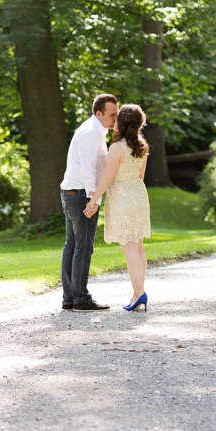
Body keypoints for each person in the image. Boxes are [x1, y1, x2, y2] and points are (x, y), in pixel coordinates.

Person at [84, 104, 151, 312]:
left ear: (121, 123)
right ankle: (137, 293)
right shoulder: (141, 145)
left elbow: (106, 178)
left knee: (129, 247)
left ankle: (139, 293)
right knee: (137, 246)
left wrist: (92, 200)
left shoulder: (117, 148)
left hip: (122, 197)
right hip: (139, 194)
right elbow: (141, 176)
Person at [59, 94, 118, 312]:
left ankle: (70, 299)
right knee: (82, 248)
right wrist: (92, 200)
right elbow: (87, 170)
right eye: (112, 115)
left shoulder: (94, 130)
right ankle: (81, 299)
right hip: (80, 194)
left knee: (72, 246)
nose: (115, 118)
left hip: (73, 193)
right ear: (99, 113)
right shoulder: (91, 133)